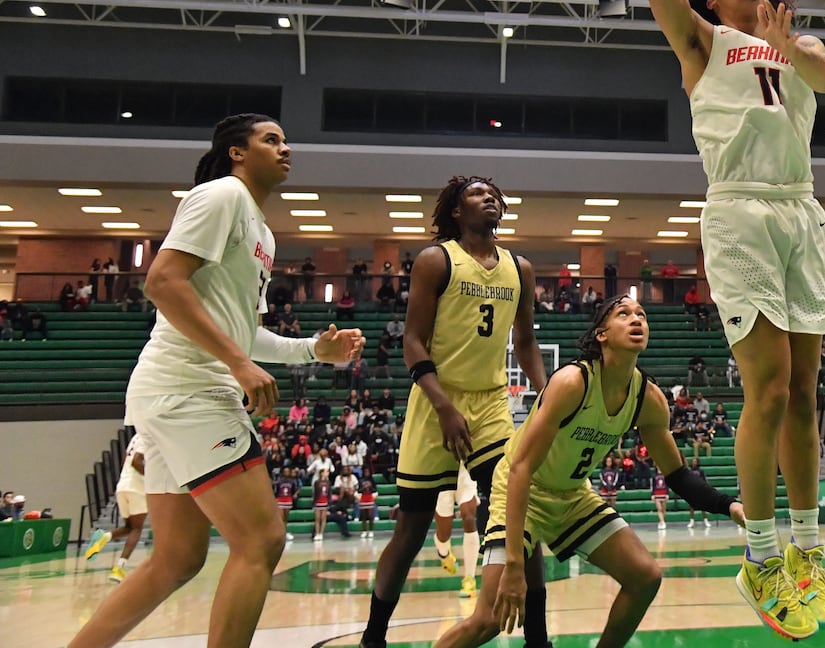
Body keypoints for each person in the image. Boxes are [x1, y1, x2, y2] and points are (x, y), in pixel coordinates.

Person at [604, 0, 825, 638]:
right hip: (739, 209)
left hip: (802, 211)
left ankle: (808, 553)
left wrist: (792, 49)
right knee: (768, 388)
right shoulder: (702, 42)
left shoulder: (797, 45)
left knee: (807, 393)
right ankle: (761, 555)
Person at [68, 114, 363, 648]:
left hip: (173, 395)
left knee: (178, 560)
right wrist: (235, 362)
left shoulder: (263, 233)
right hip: (190, 392)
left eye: (286, 140)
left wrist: (313, 351)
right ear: (236, 152)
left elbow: (244, 333)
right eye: (270, 139)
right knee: (261, 540)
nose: (285, 148)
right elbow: (162, 281)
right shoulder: (220, 195)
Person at [433, 296, 745, 648]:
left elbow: (677, 476)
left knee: (645, 576)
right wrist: (516, 567)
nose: (636, 319)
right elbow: (520, 468)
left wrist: (729, 505)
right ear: (602, 334)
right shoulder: (572, 382)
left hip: (572, 496)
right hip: (522, 489)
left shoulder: (649, 399)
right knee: (488, 620)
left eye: (641, 314)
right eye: (623, 314)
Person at [359, 176, 549, 648]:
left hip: (489, 403)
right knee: (412, 528)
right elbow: (412, 341)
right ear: (458, 212)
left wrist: (546, 394)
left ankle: (538, 639)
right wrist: (443, 405)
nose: (491, 198)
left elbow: (525, 341)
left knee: (517, 515)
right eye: (478, 194)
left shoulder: (519, 268)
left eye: (494, 194)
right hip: (434, 401)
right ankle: (373, 636)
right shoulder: (436, 260)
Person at [83, 432, 150, 582]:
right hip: (136, 488)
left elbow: (125, 460)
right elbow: (137, 461)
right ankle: (118, 568)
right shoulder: (149, 436)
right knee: (137, 529)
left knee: (129, 527)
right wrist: (150, 479)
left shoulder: (135, 437)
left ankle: (104, 537)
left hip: (122, 486)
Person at [434, 464, 482, 599]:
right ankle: (444, 554)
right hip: (441, 468)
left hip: (465, 467)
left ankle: (469, 579)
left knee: (469, 517)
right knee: (444, 532)